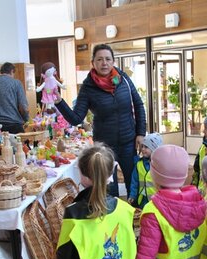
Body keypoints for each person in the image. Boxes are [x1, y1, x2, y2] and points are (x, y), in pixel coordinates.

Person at [55, 44, 147, 198]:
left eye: (107, 59)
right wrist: (59, 102)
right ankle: (111, 215)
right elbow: (76, 118)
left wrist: (140, 133)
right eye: (99, 59)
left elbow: (138, 104)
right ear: (93, 63)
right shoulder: (88, 87)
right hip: (104, 146)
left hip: (128, 140)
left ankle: (135, 216)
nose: (104, 63)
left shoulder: (123, 79)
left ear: (113, 61)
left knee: (134, 181)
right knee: (108, 185)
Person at [0, 62, 30, 134]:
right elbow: (23, 107)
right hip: (14, 125)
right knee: (19, 145)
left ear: (0, 71)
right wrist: (26, 119)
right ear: (12, 71)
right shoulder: (16, 84)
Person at [128, 132, 162, 208]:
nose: (142, 149)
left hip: (156, 201)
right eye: (142, 146)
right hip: (142, 200)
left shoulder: (160, 166)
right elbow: (134, 182)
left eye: (146, 147)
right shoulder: (139, 164)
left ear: (154, 149)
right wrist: (132, 195)